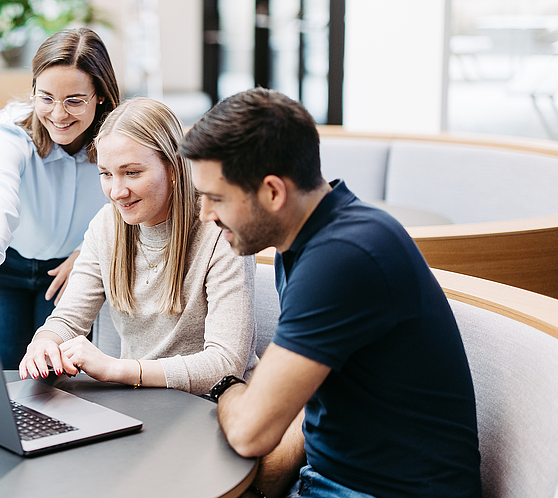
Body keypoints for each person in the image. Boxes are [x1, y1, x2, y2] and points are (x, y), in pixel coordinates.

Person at [181, 87, 482, 497]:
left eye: (216, 198)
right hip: (334, 479)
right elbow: (301, 405)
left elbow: (251, 431)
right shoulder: (313, 238)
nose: (205, 215)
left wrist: (227, 387)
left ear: (273, 192)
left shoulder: (341, 257)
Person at [17, 97, 258, 395]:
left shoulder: (220, 231)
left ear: (172, 167)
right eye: (106, 173)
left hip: (212, 406)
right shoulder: (107, 225)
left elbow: (225, 365)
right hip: (141, 401)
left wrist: (117, 369)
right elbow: (68, 319)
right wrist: (45, 342)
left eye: (132, 173)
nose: (117, 192)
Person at [0, 28, 120, 369]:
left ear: (100, 95)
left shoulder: (120, 136)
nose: (58, 115)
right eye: (46, 98)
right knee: (2, 371)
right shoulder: (10, 131)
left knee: (54, 377)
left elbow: (130, 205)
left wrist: (89, 253)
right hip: (9, 266)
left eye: (74, 100)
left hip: (72, 271)